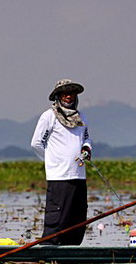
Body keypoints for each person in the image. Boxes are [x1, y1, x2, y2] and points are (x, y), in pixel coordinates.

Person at [31, 79, 93, 245]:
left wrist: (86, 149)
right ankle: (49, 250)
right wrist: (52, 161)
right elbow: (36, 143)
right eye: (64, 93)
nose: (68, 96)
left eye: (71, 93)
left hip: (79, 176)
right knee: (57, 217)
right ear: (58, 96)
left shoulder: (82, 117)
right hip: (59, 177)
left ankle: (71, 251)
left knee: (77, 217)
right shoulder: (49, 116)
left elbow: (86, 138)